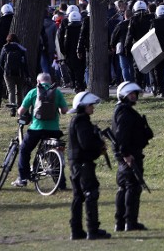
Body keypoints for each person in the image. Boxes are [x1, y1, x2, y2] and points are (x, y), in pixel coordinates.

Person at [12, 72, 69, 187]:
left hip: (36, 129)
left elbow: (21, 111)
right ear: (50, 81)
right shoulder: (57, 92)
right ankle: (61, 184)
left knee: (24, 150)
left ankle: (22, 178)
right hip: (53, 129)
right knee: (54, 156)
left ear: (38, 82)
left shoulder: (33, 92)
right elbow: (64, 110)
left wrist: (19, 112)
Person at [112, 81, 154, 232]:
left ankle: (122, 222)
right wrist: (126, 154)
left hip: (130, 154)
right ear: (123, 95)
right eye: (130, 94)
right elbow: (122, 135)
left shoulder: (124, 110)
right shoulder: (124, 112)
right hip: (129, 155)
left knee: (126, 188)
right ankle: (129, 222)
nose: (134, 96)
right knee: (131, 188)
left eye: (134, 94)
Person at [67, 91, 109, 240]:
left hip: (77, 163)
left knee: (78, 196)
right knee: (91, 193)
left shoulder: (77, 120)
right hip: (83, 164)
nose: (93, 108)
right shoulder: (82, 122)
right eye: (91, 105)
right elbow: (86, 143)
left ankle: (76, 231)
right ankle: (92, 230)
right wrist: (99, 145)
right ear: (83, 106)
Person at [0, 33, 30, 116]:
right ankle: (20, 108)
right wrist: (27, 74)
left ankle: (12, 109)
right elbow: (25, 63)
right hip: (20, 73)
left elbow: (1, 61)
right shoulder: (21, 49)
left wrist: (5, 69)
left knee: (11, 91)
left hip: (8, 73)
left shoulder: (5, 48)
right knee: (19, 91)